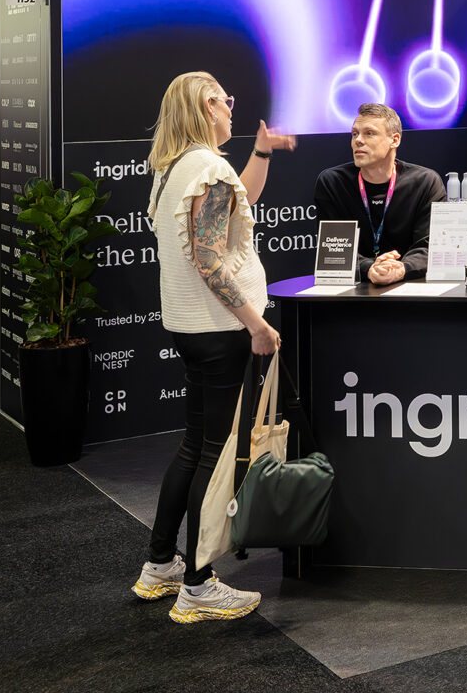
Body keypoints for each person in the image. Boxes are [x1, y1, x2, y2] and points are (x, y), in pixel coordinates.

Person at [136, 71, 294, 624]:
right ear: (208, 105)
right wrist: (256, 323)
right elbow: (208, 258)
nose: (232, 108)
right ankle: (199, 584)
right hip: (221, 330)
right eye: (226, 100)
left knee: (194, 445)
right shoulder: (208, 167)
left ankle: (161, 564)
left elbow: (233, 208)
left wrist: (262, 153)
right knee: (214, 453)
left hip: (190, 328)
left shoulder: (175, 169)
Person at [312, 104, 446, 284]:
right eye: (354, 134)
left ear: (394, 140)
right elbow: (333, 249)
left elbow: (430, 246)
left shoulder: (425, 182)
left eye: (369, 133)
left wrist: (400, 269)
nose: (358, 140)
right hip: (355, 286)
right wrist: (370, 268)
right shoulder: (333, 182)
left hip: (409, 284)